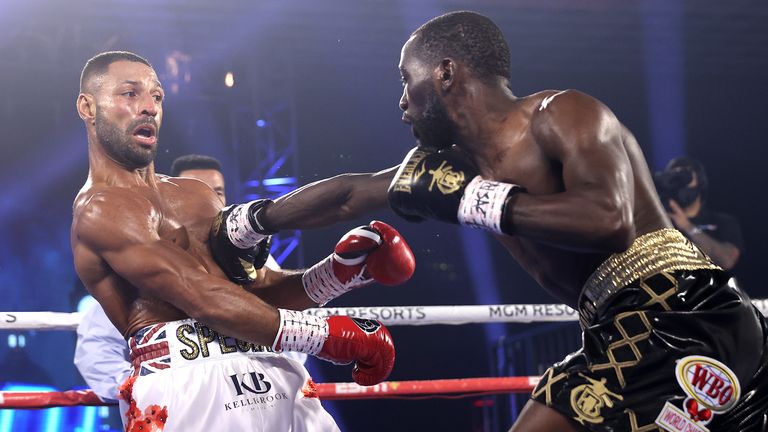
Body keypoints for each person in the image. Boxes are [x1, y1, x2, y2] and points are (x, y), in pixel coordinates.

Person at [241, 11, 768, 431]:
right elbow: (352, 194)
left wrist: (471, 199)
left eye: (408, 80)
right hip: (622, 327)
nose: (402, 102)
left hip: (678, 307)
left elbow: (608, 218)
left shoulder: (563, 114)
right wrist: (247, 222)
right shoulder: (452, 168)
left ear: (445, 72)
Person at [71, 51, 415, 431]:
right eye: (130, 94)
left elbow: (255, 289)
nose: (149, 107)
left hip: (270, 369)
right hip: (186, 384)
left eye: (157, 96)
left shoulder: (196, 194)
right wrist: (325, 337)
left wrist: (339, 273)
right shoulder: (98, 210)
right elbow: (200, 296)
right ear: (88, 106)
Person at [74, 153, 300, 410]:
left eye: (217, 192)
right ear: (169, 198)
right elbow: (97, 347)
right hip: (186, 401)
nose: (208, 200)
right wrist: (149, 393)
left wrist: (276, 374)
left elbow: (286, 317)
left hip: (260, 397)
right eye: (194, 190)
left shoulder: (255, 257)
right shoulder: (137, 257)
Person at [657, 156, 744, 270]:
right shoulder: (659, 222)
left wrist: (688, 227)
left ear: (700, 181)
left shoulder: (722, 222)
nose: (680, 183)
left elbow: (727, 260)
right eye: (675, 177)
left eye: (685, 175)